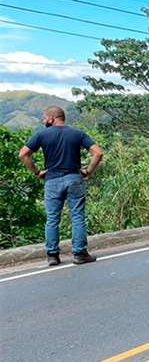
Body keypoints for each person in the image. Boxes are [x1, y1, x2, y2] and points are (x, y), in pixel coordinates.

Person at [18, 106, 103, 266]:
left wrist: (37, 172)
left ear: (52, 118)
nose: (43, 121)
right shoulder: (77, 133)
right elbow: (97, 152)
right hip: (73, 178)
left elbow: (23, 154)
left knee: (52, 219)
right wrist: (88, 171)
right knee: (77, 217)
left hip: (52, 180)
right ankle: (79, 254)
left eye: (44, 118)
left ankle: (52, 256)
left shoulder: (41, 135)